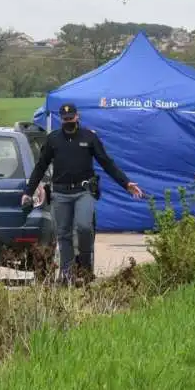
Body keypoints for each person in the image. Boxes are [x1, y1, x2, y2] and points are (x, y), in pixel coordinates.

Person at [21, 103, 144, 284]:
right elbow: (41, 167)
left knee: (84, 227)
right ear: (61, 119)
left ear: (77, 117)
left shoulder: (89, 137)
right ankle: (67, 273)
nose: (68, 121)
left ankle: (84, 265)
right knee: (63, 234)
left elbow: (106, 162)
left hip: (83, 191)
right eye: (65, 119)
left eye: (71, 118)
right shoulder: (53, 139)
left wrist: (126, 183)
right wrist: (28, 192)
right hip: (61, 193)